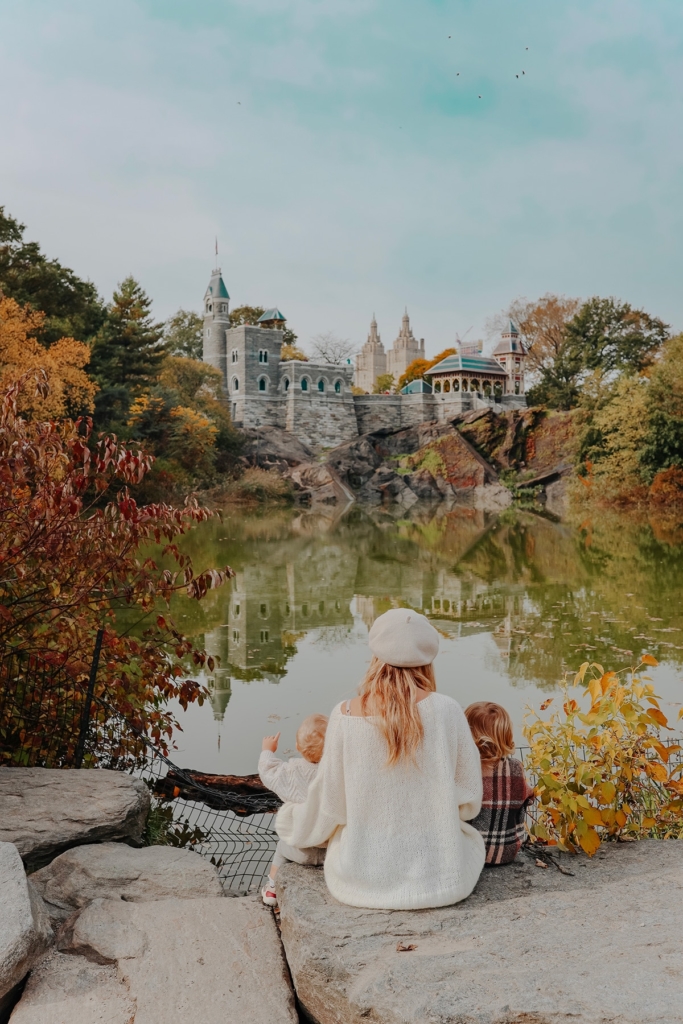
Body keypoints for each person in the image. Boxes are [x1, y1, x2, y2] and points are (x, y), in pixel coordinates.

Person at [276, 608, 486, 910]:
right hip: (439, 875)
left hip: (362, 877)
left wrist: (290, 820)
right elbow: (468, 802)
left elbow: (330, 804)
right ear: (427, 658)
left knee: (297, 836)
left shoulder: (343, 714)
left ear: (376, 653)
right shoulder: (447, 710)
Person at [258, 713, 328, 906]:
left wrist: (267, 751)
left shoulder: (292, 771)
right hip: (332, 851)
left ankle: (271, 889)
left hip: (300, 850)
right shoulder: (335, 773)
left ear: (297, 747)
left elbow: (268, 772)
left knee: (281, 847)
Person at [464, 701, 535, 865]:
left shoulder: (463, 769)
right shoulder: (516, 767)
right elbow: (527, 798)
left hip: (468, 854)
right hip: (507, 853)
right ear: (506, 735)